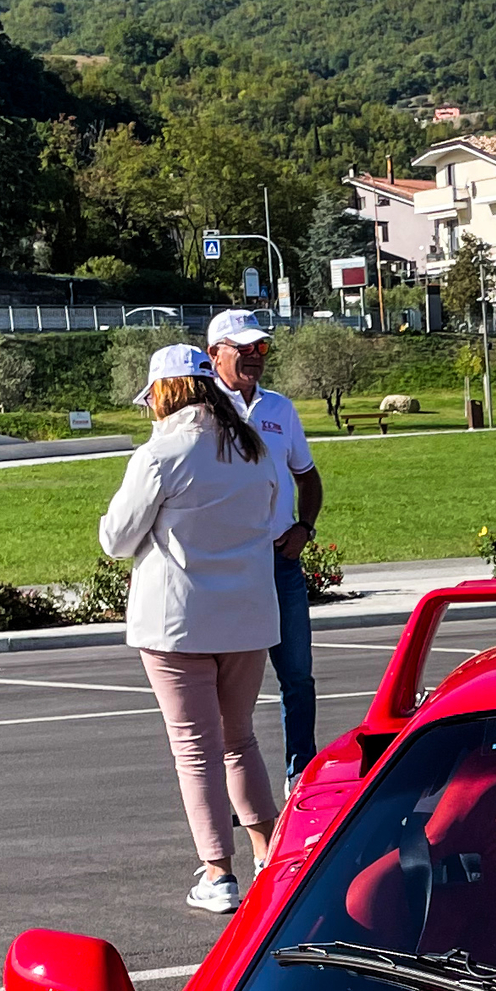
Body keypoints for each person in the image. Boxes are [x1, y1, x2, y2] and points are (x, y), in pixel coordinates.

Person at [101, 343, 285, 916]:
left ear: (165, 392)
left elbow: (116, 539)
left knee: (195, 750)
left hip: (177, 620)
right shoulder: (253, 448)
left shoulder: (161, 454)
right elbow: (275, 517)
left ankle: (217, 872)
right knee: (240, 738)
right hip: (249, 615)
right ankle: (271, 855)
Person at [204, 308, 325, 786]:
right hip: (228, 568)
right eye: (244, 349)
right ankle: (229, 787)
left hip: (280, 563)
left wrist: (304, 529)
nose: (255, 358)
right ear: (214, 354)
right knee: (229, 688)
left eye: (262, 349)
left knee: (297, 678)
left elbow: (308, 476)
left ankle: (303, 781)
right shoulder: (201, 410)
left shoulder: (280, 409)